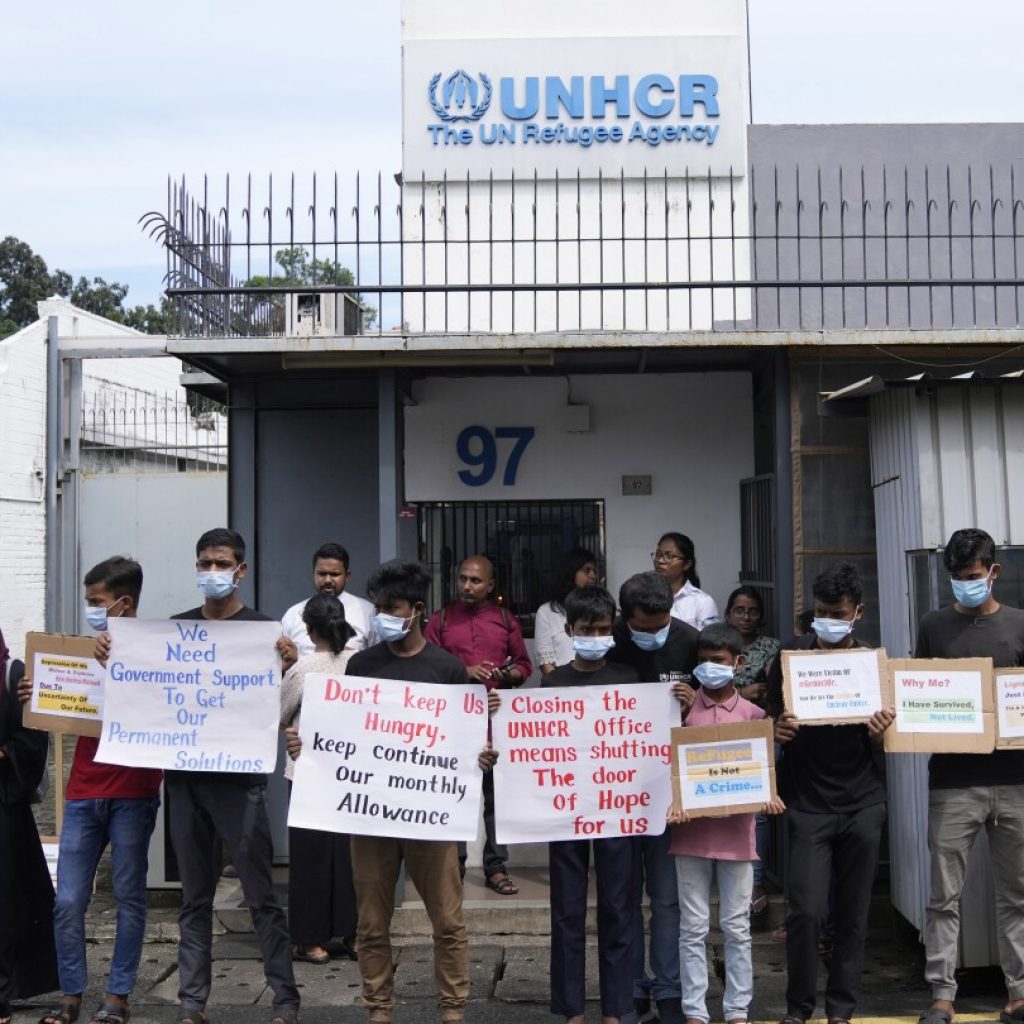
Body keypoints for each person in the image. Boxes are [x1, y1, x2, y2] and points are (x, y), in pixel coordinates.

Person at [98, 528, 300, 1024]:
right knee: (194, 898)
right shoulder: (174, 630)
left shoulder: (264, 633)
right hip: (185, 781)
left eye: (221, 563)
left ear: (240, 570)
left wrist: (287, 664)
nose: (212, 572)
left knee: (261, 897)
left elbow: (275, 701)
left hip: (239, 784)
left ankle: (285, 1002)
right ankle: (193, 1005)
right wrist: (110, 652)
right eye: (204, 563)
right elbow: (142, 686)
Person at [331, 559, 497, 1024]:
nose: (383, 615)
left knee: (447, 922)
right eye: (379, 607)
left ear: (417, 610)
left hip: (431, 818)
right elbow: (345, 734)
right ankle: (379, 1010)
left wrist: (478, 756)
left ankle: (452, 1011)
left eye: (392, 607)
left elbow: (463, 740)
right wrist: (311, 745)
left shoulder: (447, 669)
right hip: (371, 816)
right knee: (370, 924)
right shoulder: (361, 665)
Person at [22, 558, 161, 1024]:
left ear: (124, 603)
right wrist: (35, 694)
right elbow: (58, 702)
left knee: (129, 896)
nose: (91, 612)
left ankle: (117, 997)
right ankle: (71, 996)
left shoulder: (161, 652)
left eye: (97, 603)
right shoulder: (82, 652)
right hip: (83, 791)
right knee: (67, 900)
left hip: (134, 792)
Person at [768, 561, 895, 1024]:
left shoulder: (873, 666)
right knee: (805, 911)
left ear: (857, 613)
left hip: (862, 803)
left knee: (853, 914)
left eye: (838, 613)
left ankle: (841, 1010)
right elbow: (770, 722)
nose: (829, 621)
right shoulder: (789, 659)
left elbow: (888, 743)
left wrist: (882, 732)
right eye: (822, 612)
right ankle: (798, 1009)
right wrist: (776, 729)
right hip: (807, 804)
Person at [914, 528, 1024, 1024]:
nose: (966, 585)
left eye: (974, 577)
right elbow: (918, 697)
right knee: (943, 895)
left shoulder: (1021, 626)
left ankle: (1019, 993)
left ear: (993, 572)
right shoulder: (933, 626)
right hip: (953, 781)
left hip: (1017, 779)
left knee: (1018, 893)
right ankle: (941, 995)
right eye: (958, 579)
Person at [667, 623, 786, 1024]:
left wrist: (768, 796)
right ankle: (694, 1012)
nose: (707, 668)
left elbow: (762, 772)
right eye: (701, 661)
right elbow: (666, 767)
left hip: (737, 836)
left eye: (716, 661)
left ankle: (737, 1009)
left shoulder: (755, 716)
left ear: (738, 663)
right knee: (693, 928)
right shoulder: (680, 712)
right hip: (690, 834)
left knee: (737, 927)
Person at [543, 585, 639, 1024]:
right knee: (567, 912)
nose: (596, 635)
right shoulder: (552, 680)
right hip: (566, 812)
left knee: (619, 908)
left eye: (603, 629)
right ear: (569, 630)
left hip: (617, 810)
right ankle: (571, 1010)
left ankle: (616, 1009)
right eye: (587, 629)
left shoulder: (628, 679)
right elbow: (537, 743)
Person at [608, 572, 698, 1024]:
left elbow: (716, 710)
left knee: (666, 898)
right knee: (623, 898)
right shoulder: (605, 641)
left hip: (668, 795)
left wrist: (693, 702)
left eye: (660, 624)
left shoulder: (689, 641)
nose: (653, 634)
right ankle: (630, 988)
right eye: (643, 627)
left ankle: (668, 989)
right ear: (626, 620)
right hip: (617, 795)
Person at [424, 554, 532, 895]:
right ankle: (452, 863)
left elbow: (525, 666)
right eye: (462, 579)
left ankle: (495, 867)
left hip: (494, 722)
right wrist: (464, 672)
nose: (467, 586)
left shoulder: (505, 619)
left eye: (475, 581)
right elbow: (426, 667)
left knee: (495, 797)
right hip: (452, 723)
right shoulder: (439, 621)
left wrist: (507, 674)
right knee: (454, 793)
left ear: (490, 585)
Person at [281, 593, 358, 966]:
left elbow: (279, 714)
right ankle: (354, 932)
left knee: (310, 858)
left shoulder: (303, 669)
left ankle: (311, 940)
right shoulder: (361, 664)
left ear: (309, 630)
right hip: (352, 777)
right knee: (351, 857)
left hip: (308, 776)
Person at [0, 626, 58, 1024]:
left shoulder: (13, 676)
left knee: (4, 904)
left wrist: (3, 754)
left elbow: (32, 738)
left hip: (2, 807)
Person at [724, 585, 781, 918]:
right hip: (721, 732)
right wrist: (743, 693)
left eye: (752, 611)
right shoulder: (717, 642)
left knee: (757, 809)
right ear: (728, 613)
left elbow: (772, 690)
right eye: (739, 610)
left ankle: (756, 882)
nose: (745, 617)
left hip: (760, 732)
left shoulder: (771, 646)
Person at [280, 542, 376, 657]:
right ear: (313, 574)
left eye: (334, 574)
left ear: (347, 576)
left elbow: (377, 659)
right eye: (322, 573)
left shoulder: (368, 612)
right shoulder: (293, 614)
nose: (327, 580)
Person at [534, 547, 598, 675]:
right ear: (571, 572)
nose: (593, 576)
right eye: (587, 570)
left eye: (594, 571)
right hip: (561, 688)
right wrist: (563, 688)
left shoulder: (598, 609)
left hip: (596, 686)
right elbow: (546, 664)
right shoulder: (547, 612)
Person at [652, 533, 719, 630]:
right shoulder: (644, 597)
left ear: (686, 564)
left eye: (669, 556)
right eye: (658, 555)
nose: (660, 561)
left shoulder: (702, 602)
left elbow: (711, 642)